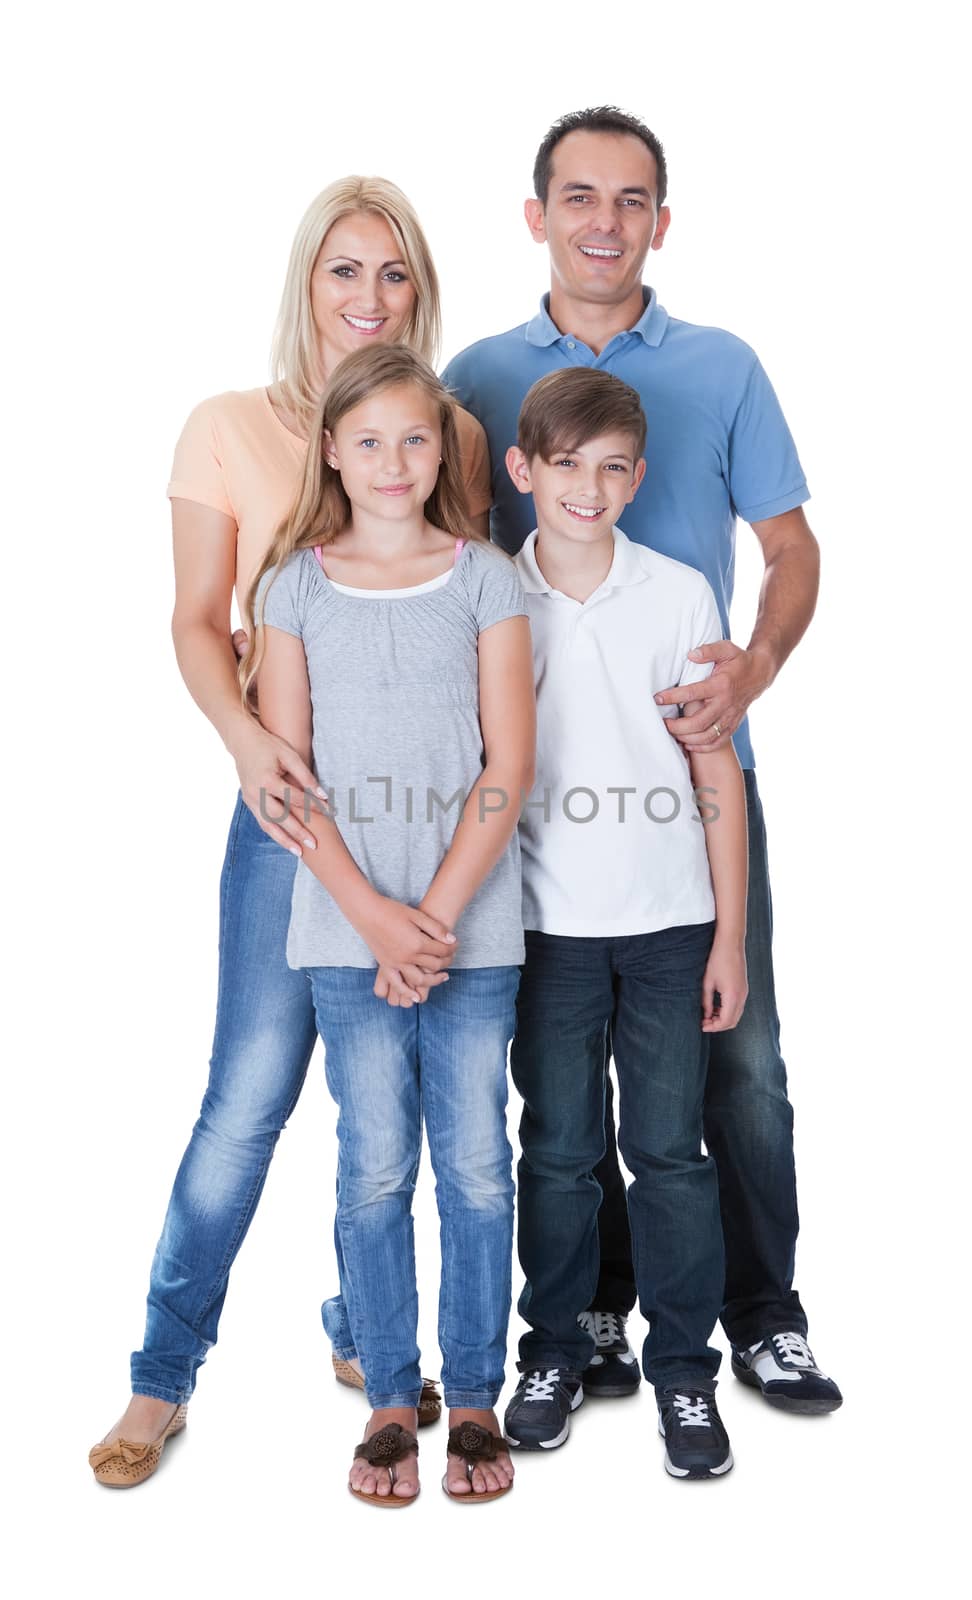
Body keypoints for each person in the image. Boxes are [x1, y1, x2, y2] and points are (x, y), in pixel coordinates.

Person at [89, 176, 493, 1489]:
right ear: (306, 286)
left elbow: (467, 627)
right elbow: (198, 619)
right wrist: (251, 745)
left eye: (395, 276)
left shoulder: (451, 431)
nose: (370, 299)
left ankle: (362, 1331)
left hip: (427, 822)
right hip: (288, 811)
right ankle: (161, 1375)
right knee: (252, 1095)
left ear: (419, 297)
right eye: (345, 271)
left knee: (402, 1095)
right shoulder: (229, 428)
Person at [443, 106, 842, 1414]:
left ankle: (760, 1312)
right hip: (545, 806)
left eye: (630, 200)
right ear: (537, 214)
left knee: (744, 1063)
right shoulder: (479, 373)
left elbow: (791, 550)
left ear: (660, 222)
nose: (604, 221)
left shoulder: (722, 367)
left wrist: (754, 673)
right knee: (560, 1093)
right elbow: (428, 549)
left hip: (695, 777)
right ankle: (594, 1319)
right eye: (578, 196)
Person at [245, 344, 535, 1504]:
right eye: (368, 441)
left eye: (416, 439)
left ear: (444, 450)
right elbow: (284, 779)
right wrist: (377, 920)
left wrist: (438, 919)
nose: (394, 462)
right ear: (331, 451)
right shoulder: (294, 589)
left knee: (473, 1166)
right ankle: (386, 1400)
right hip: (344, 929)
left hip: (473, 930)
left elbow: (509, 764)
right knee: (372, 1170)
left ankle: (472, 1397)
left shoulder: (484, 580)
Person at [500, 367, 748, 1478]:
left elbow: (715, 776)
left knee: (668, 1153)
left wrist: (729, 935)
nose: (589, 489)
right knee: (554, 1151)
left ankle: (685, 1375)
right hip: (544, 931)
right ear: (524, 472)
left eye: (612, 468)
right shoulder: (494, 598)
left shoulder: (680, 593)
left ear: (638, 477)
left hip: (667, 927)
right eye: (566, 467)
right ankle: (553, 1349)